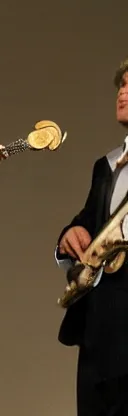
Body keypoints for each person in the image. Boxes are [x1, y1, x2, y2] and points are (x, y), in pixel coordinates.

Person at [56, 58, 128, 416]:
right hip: (99, 331)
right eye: (122, 84)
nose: (123, 92)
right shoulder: (107, 164)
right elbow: (87, 221)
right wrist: (71, 233)